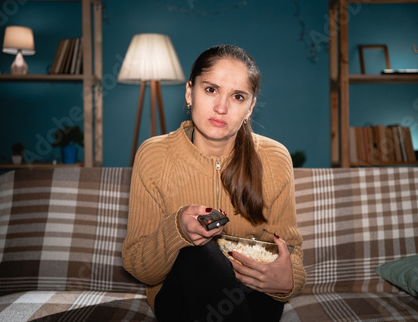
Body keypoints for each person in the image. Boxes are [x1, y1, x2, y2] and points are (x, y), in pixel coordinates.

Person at [122, 44, 306, 321]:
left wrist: (289, 280)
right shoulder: (154, 155)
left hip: (254, 296)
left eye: (238, 96)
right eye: (210, 90)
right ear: (189, 92)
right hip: (181, 298)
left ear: (250, 107)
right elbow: (140, 268)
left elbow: (289, 249)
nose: (221, 107)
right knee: (197, 252)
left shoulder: (275, 158)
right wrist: (178, 231)